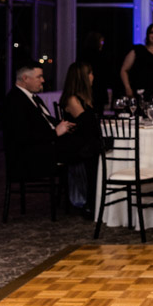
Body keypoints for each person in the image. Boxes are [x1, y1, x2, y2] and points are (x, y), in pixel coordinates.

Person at [2, 65, 76, 182]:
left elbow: (45, 122)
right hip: (29, 159)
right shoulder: (15, 101)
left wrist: (65, 125)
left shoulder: (32, 97)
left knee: (83, 147)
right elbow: (23, 136)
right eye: (39, 77)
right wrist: (55, 133)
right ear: (25, 78)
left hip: (42, 149)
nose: (43, 80)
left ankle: (81, 196)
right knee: (82, 154)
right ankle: (82, 197)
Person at [59, 62, 103, 216]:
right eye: (89, 73)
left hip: (86, 141)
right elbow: (87, 125)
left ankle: (100, 198)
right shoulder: (72, 99)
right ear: (82, 77)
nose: (93, 76)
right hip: (76, 145)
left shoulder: (86, 98)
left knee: (105, 147)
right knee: (96, 151)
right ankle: (91, 202)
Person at [119, 23, 153, 107]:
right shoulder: (138, 50)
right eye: (152, 32)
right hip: (142, 93)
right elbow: (124, 70)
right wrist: (127, 88)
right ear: (148, 35)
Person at [78, 31, 111, 116]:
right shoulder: (99, 56)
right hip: (97, 89)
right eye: (101, 42)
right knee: (96, 114)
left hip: (90, 88)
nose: (102, 44)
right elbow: (105, 73)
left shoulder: (83, 54)